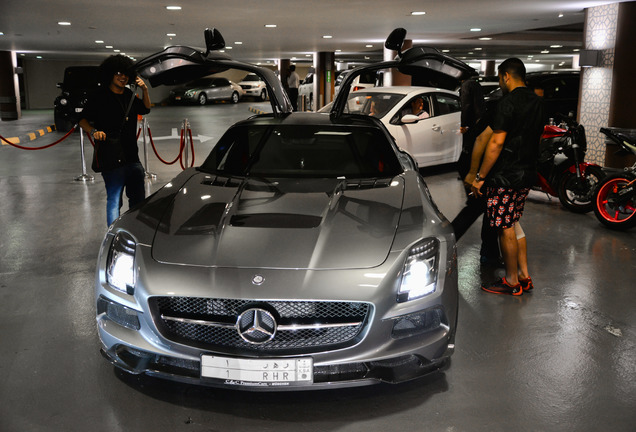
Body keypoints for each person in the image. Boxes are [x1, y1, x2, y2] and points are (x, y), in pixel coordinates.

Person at [471, 58, 544, 296]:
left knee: (505, 228)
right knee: (513, 223)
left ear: (506, 76)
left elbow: (496, 142)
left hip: (505, 177)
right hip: (527, 173)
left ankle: (512, 281)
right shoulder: (538, 102)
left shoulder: (507, 103)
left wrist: (480, 176)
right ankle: (524, 275)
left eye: (501, 78)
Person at [79, 54, 151, 227]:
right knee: (114, 201)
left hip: (132, 157)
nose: (122, 77)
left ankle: (135, 231)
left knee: (138, 200)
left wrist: (145, 90)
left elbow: (146, 109)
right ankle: (112, 234)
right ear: (110, 74)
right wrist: (94, 131)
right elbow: (82, 119)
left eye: (126, 73)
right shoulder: (99, 96)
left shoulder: (129, 95)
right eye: (118, 73)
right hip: (110, 157)